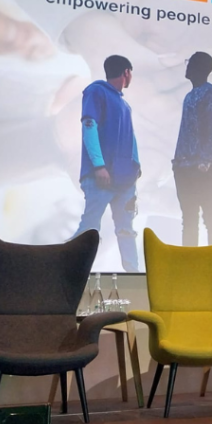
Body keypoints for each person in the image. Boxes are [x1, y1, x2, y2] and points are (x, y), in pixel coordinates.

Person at [72, 55, 140, 272]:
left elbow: (131, 138)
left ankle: (134, 274)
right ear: (126, 73)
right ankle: (67, 267)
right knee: (90, 227)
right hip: (101, 177)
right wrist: (99, 166)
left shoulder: (125, 105)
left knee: (126, 229)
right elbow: (89, 125)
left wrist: (136, 166)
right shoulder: (95, 91)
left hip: (125, 180)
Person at [172, 52, 212, 247]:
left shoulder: (211, 93)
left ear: (199, 68)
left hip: (202, 168)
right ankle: (189, 263)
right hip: (184, 167)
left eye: (190, 63)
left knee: (210, 217)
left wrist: (206, 161)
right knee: (189, 219)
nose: (187, 66)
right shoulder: (190, 96)